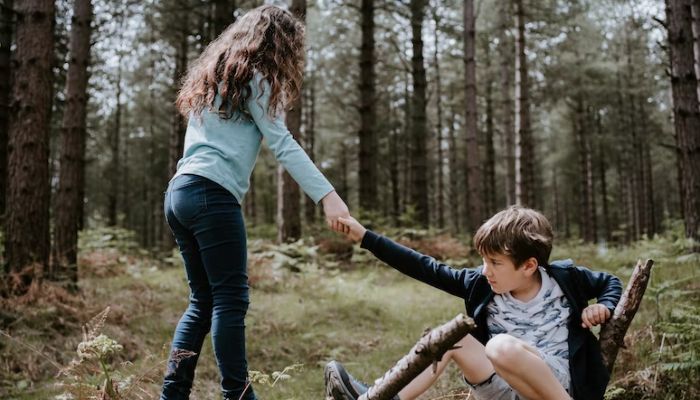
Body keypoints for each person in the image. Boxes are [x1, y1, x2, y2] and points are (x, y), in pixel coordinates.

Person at [160, 5, 349, 400]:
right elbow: (283, 144)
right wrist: (328, 196)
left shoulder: (214, 77)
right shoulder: (257, 78)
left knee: (202, 301)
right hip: (211, 195)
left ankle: (172, 394)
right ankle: (238, 395)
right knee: (230, 299)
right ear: (278, 44)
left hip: (179, 193)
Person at [325, 206, 622, 400]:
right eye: (483, 260)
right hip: (501, 388)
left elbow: (611, 282)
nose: (485, 270)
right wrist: (365, 237)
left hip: (555, 388)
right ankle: (379, 397)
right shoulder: (480, 284)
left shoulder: (565, 279)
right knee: (452, 338)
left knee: (500, 347)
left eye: (495, 262)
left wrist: (602, 306)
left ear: (529, 266)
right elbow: (424, 267)